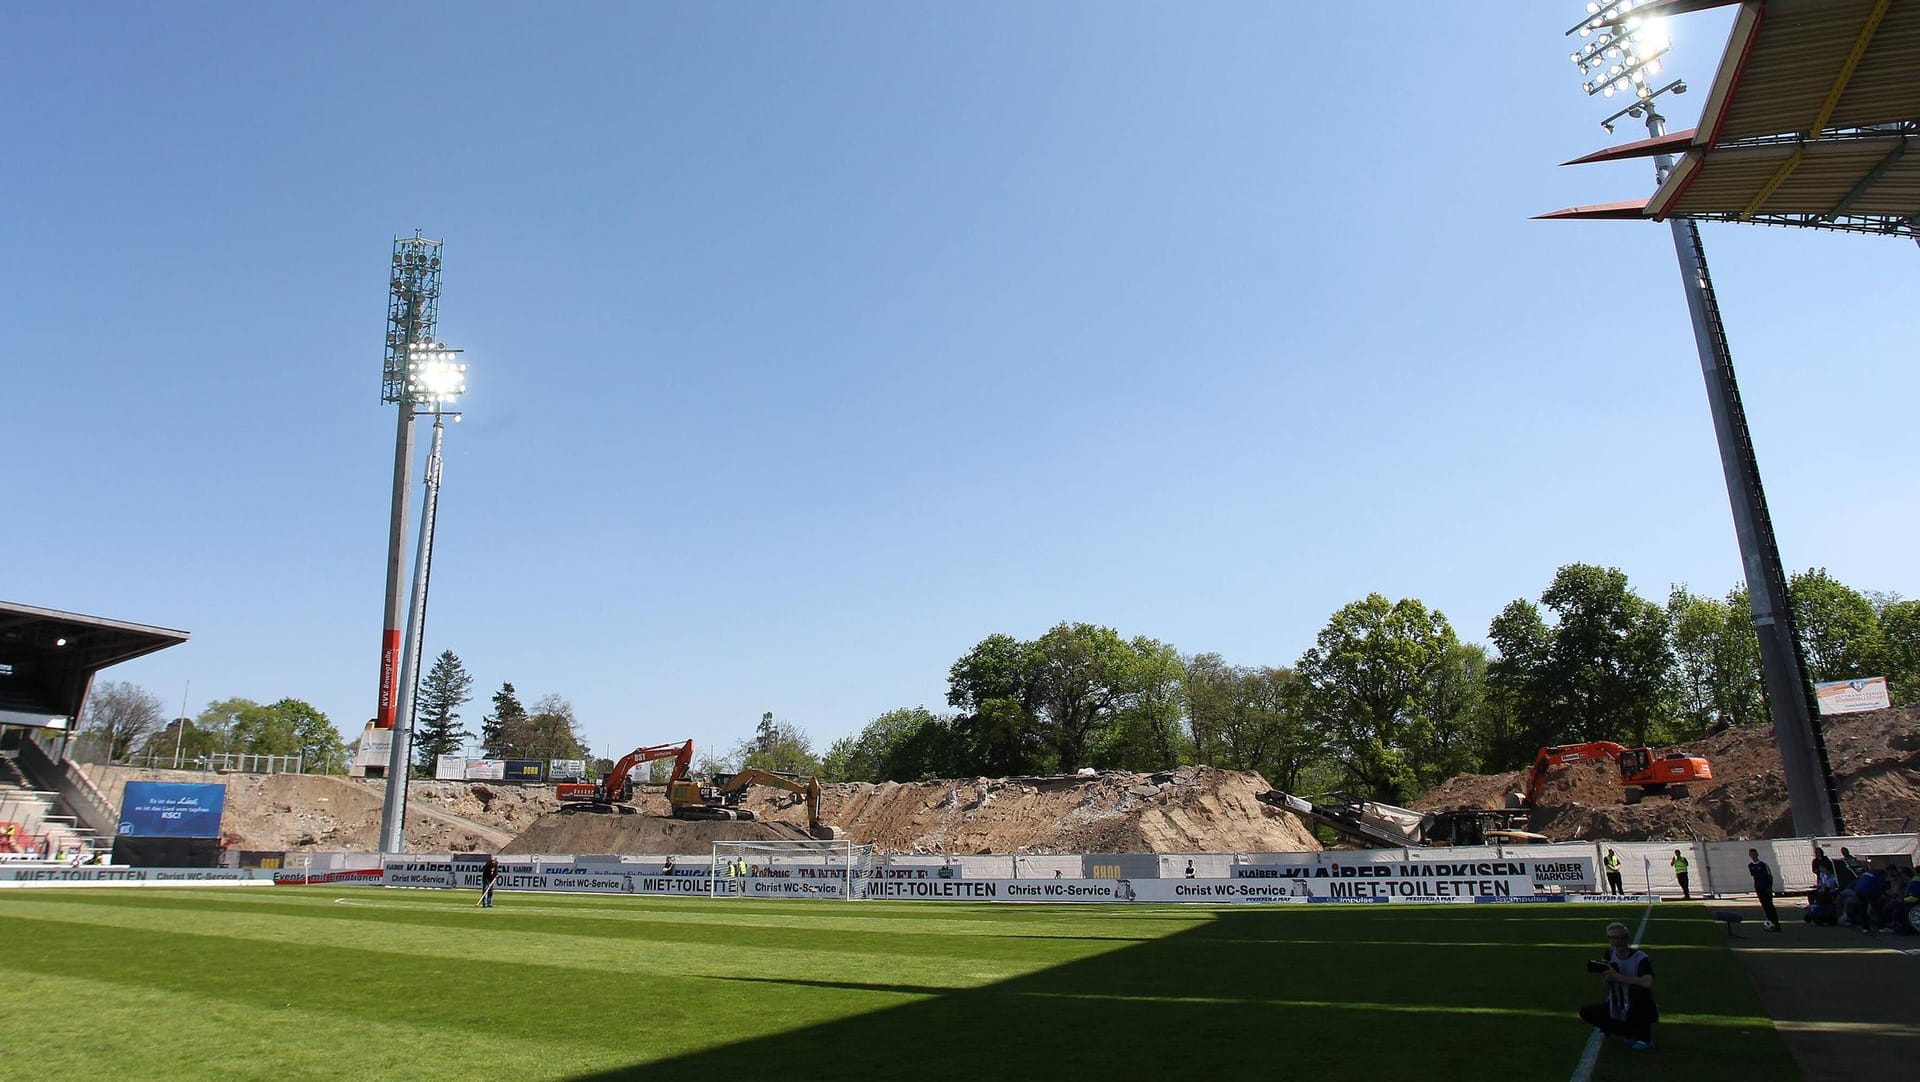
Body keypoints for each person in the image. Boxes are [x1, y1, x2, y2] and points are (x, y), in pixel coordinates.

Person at [1578, 921, 1657, 1051]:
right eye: (1612, 938)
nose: (1616, 942)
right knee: (1586, 1012)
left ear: (1626, 938)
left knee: (1639, 993)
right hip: (1617, 1002)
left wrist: (1618, 977)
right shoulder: (1609, 954)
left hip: (1637, 1004)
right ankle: (1627, 1031)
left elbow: (1648, 982)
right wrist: (1606, 978)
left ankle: (1645, 1039)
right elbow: (1606, 983)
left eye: (1620, 938)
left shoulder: (1640, 957)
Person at [1748, 848, 1781, 931]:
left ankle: (1776, 924)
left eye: (1753, 854)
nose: (1752, 856)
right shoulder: (1751, 866)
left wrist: (1769, 887)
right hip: (1759, 888)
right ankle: (1770, 924)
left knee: (1770, 906)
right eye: (1751, 854)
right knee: (1765, 906)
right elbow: (1754, 876)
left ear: (1757, 854)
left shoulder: (1763, 865)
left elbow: (1769, 876)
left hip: (1766, 888)